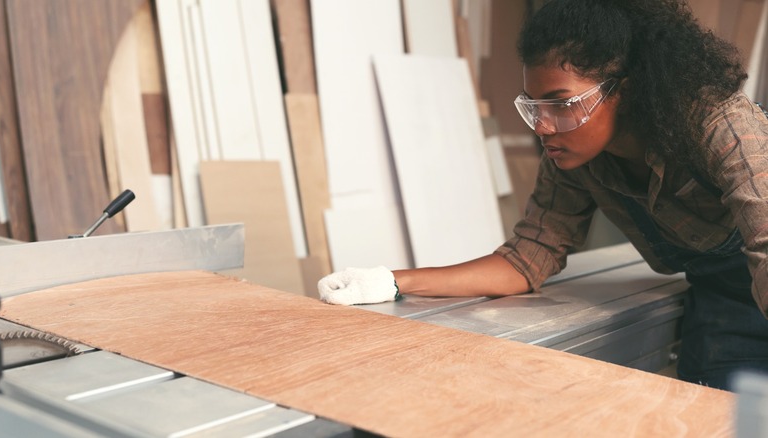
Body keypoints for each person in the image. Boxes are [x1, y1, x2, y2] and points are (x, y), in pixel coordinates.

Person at [317, 0, 768, 391]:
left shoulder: (720, 125)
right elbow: (525, 259)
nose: (542, 126)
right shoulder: (573, 157)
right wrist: (390, 281)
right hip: (724, 297)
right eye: (534, 106)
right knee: (719, 417)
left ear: (623, 92)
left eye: (561, 103)